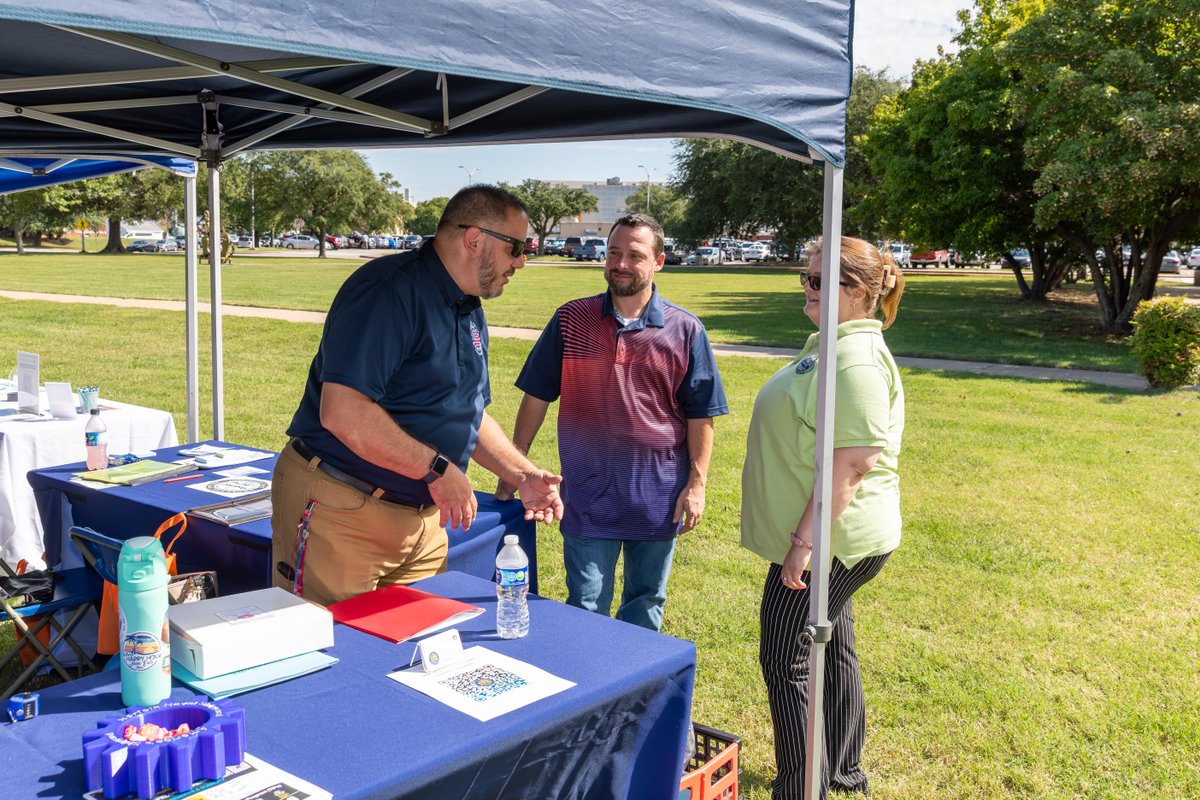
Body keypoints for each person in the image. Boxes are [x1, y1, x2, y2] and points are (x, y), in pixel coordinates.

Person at [271, 185, 564, 607]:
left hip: (422, 523)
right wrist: (438, 469)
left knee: (415, 654)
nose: (522, 260)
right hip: (343, 510)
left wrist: (522, 475)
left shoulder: (469, 308)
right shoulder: (388, 291)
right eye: (517, 246)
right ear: (475, 239)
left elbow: (470, 415)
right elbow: (343, 411)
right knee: (332, 651)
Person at [497, 214, 728, 632]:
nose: (620, 264)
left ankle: (635, 697)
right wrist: (514, 469)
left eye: (635, 256)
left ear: (659, 261)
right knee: (584, 606)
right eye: (614, 253)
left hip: (657, 499)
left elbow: (701, 414)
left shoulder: (686, 330)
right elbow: (536, 398)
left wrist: (697, 484)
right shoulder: (571, 320)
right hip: (587, 495)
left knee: (645, 604)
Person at [741, 236, 907, 799]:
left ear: (858, 294)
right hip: (835, 539)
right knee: (831, 647)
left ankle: (801, 787)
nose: (806, 289)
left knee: (787, 658)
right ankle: (841, 773)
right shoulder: (837, 346)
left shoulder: (856, 361)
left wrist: (802, 546)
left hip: (830, 542)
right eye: (805, 278)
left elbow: (854, 464)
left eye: (818, 281)